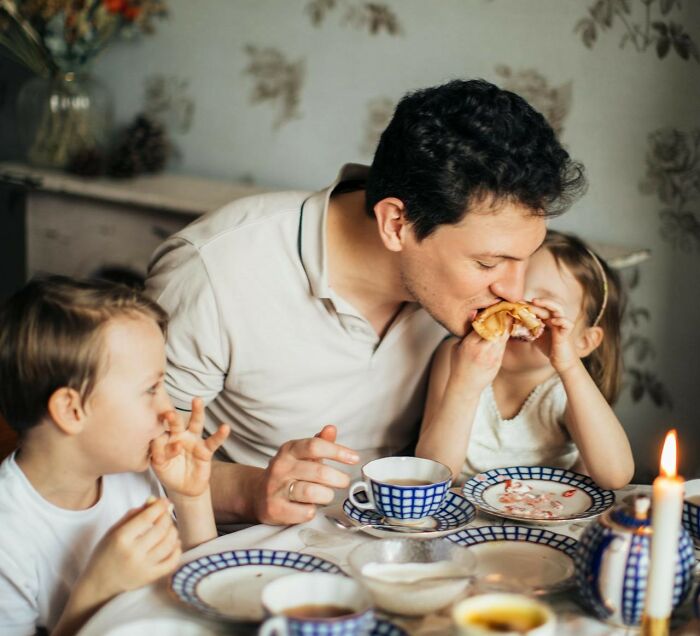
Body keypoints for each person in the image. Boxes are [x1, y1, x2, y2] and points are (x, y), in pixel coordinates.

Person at [146, 78, 586, 525]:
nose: (514, 290)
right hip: (256, 552)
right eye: (489, 263)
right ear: (396, 223)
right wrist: (252, 490)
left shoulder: (461, 295)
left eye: (523, 261)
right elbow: (134, 458)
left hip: (408, 537)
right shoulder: (213, 271)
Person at [0, 277, 229, 636]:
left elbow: (210, 596)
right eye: (151, 389)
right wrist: (96, 592)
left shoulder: (131, 473)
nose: (169, 411)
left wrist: (191, 498)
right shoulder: (8, 536)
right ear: (72, 410)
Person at [416, 230, 634, 489]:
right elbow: (431, 476)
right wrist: (464, 387)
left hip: (548, 518)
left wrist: (569, 365)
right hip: (467, 517)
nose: (519, 313)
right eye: (512, 297)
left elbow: (616, 476)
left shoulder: (565, 389)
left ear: (584, 342)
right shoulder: (458, 357)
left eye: (544, 306)